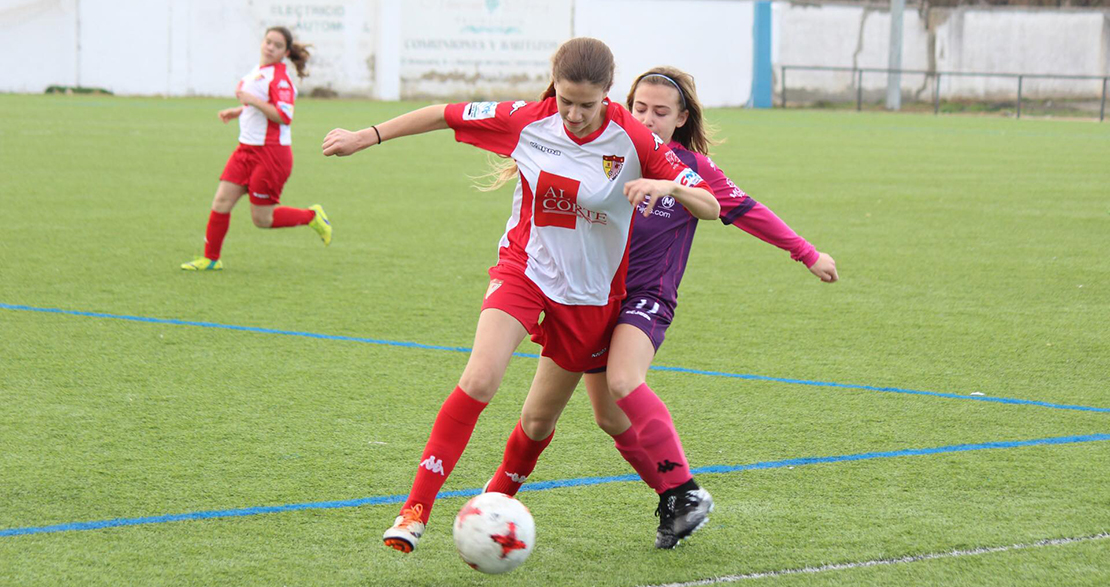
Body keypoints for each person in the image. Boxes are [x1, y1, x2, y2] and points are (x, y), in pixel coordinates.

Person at [321, 38, 720, 554]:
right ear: (553, 84)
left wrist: (669, 188)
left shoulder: (635, 138)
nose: (573, 114)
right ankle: (414, 511)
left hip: (591, 297)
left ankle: (497, 501)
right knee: (481, 376)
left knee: (541, 419)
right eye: (565, 99)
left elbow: (708, 204)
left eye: (587, 104)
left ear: (607, 94)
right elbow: (443, 113)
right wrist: (366, 136)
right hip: (525, 271)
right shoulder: (527, 118)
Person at [482, 66, 838, 549]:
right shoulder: (611, 150)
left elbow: (738, 208)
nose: (648, 120)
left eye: (661, 112)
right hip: (590, 300)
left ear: (681, 118)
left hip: (644, 302)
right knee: (551, 420)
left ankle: (686, 489)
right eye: (640, 109)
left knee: (625, 380)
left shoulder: (689, 169)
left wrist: (807, 253)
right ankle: (495, 502)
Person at [181, 26, 331, 271]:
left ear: (285, 52)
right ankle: (210, 259)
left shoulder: (280, 79)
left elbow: (284, 116)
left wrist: (251, 101)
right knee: (220, 202)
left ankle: (312, 216)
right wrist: (239, 110)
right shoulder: (258, 71)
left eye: (277, 45)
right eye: (268, 42)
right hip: (245, 151)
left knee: (262, 219)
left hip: (271, 154)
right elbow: (260, 105)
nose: (270, 47)